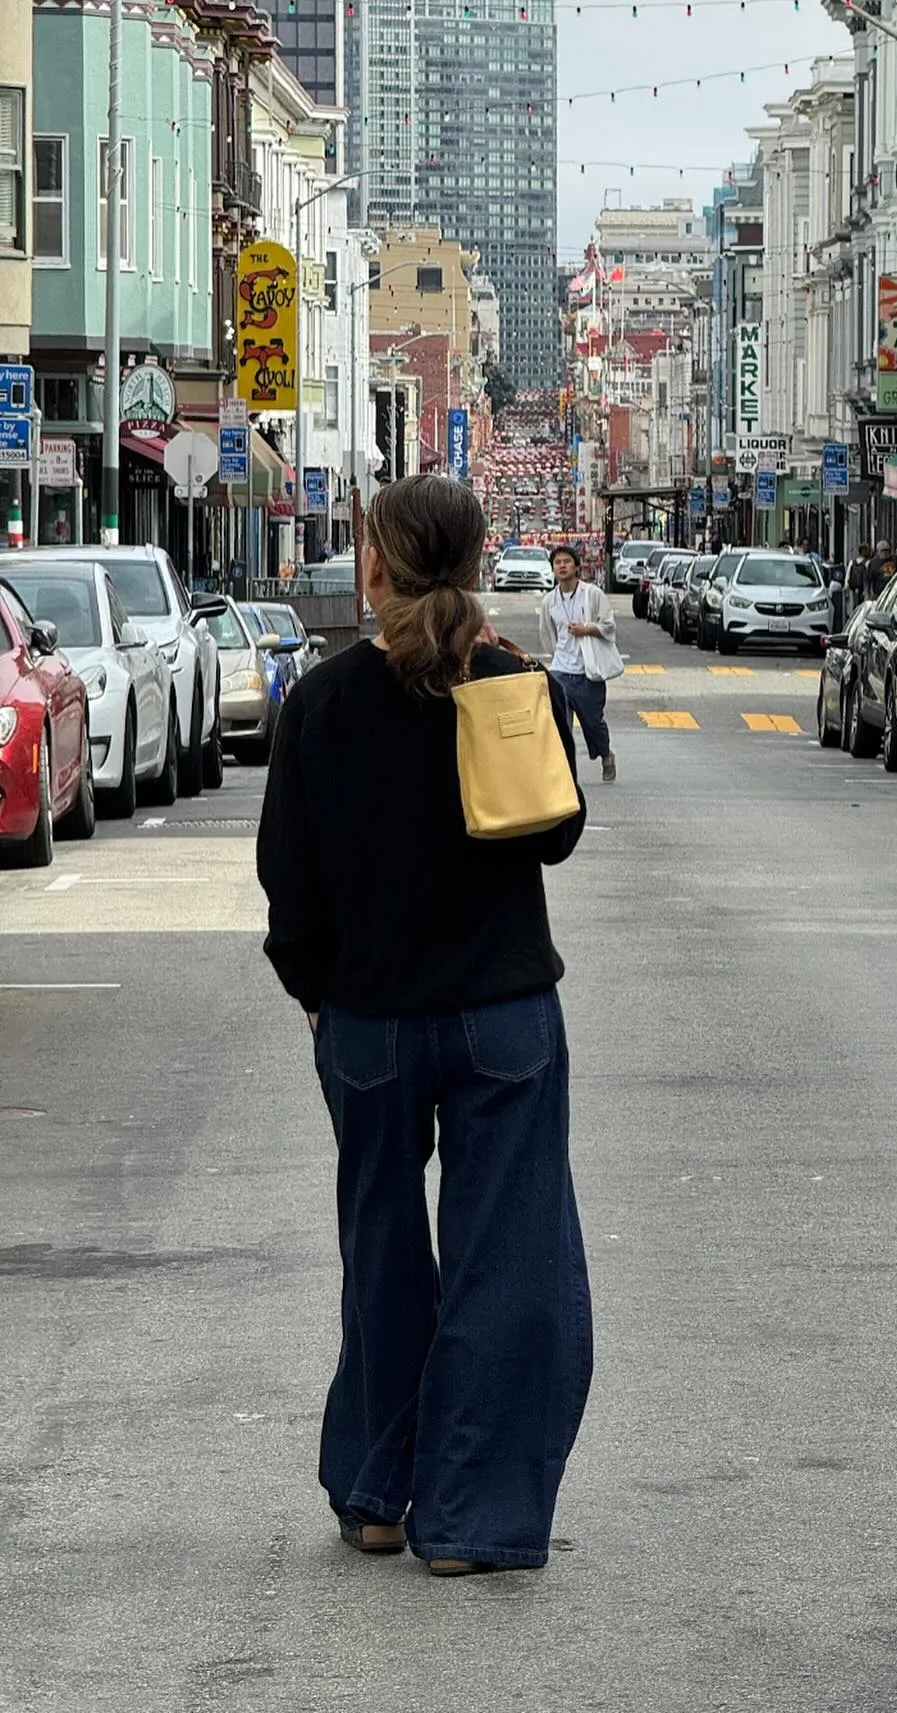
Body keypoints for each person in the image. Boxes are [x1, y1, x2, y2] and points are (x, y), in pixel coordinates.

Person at [256, 473, 592, 1578]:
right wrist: (501, 674)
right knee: (510, 1264)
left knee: (384, 1254)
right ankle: (476, 1518)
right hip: (503, 1015)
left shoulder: (321, 704)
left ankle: (378, 1493)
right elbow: (554, 836)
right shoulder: (507, 685)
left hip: (370, 1025)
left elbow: (288, 885)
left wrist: (318, 996)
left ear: (376, 568)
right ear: (476, 563)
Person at [539, 543, 618, 783]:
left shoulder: (591, 594)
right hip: (561, 671)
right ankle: (565, 772)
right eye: (557, 563)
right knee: (560, 724)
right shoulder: (549, 601)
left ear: (576, 566)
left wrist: (587, 629)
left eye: (566, 561)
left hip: (588, 671)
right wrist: (556, 656)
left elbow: (609, 625)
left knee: (593, 722)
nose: (562, 566)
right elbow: (547, 633)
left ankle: (606, 755)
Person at [846, 545, 871, 621]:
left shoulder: (852, 562)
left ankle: (854, 619)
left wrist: (847, 588)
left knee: (855, 605)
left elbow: (848, 576)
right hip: (863, 589)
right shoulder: (867, 563)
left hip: (853, 589)